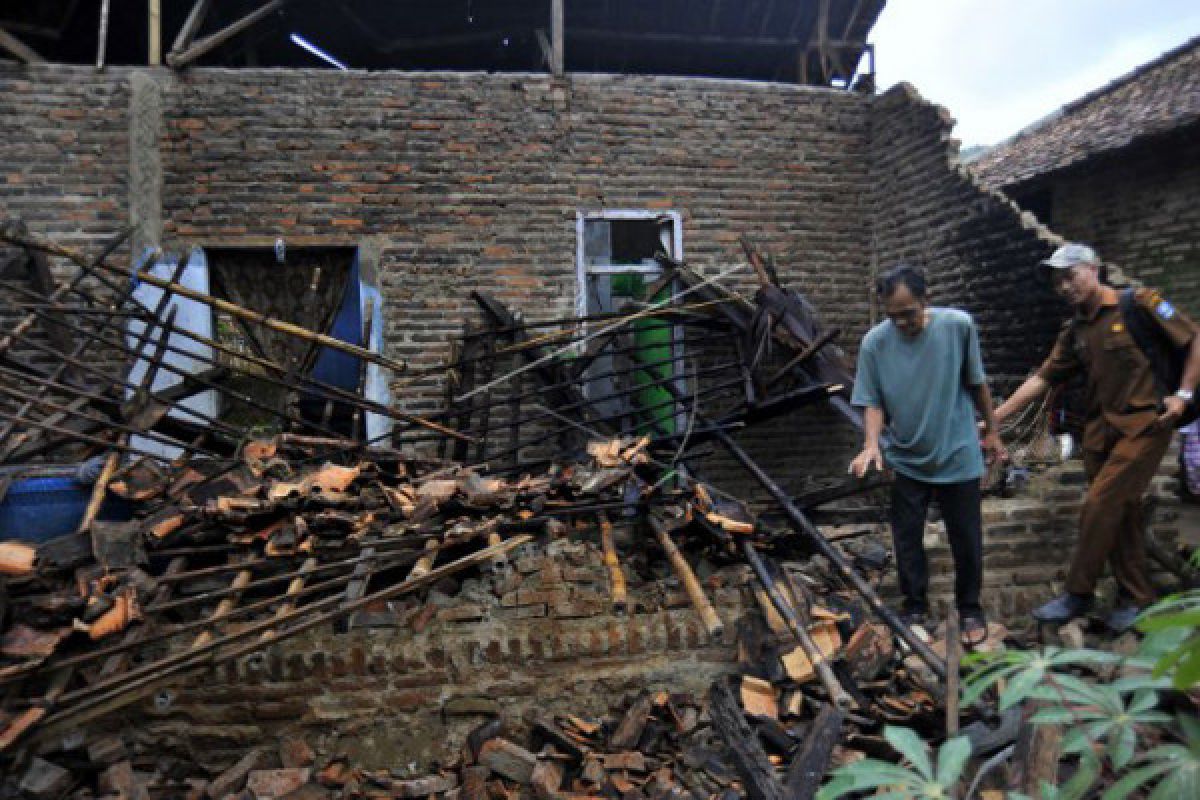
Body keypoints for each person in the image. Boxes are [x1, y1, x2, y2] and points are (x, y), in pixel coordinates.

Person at [994, 243, 1200, 630]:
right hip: (1099, 432)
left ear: (1094, 269)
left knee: (1100, 503)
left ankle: (1078, 592)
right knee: (1121, 513)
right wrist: (995, 419)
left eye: (1070, 275)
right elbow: (1042, 378)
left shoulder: (1141, 302)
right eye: (1057, 281)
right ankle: (1137, 597)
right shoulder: (1075, 331)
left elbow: (1193, 339)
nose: (1064, 286)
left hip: (1146, 424)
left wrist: (1184, 395)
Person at [850, 265, 1005, 647]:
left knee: (966, 537)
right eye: (893, 315)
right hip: (906, 456)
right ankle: (914, 604)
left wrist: (994, 431)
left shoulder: (958, 327)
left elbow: (977, 382)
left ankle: (970, 606)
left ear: (925, 300)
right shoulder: (875, 343)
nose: (902, 322)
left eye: (909, 313)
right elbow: (871, 401)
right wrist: (872, 444)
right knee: (906, 537)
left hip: (958, 452)